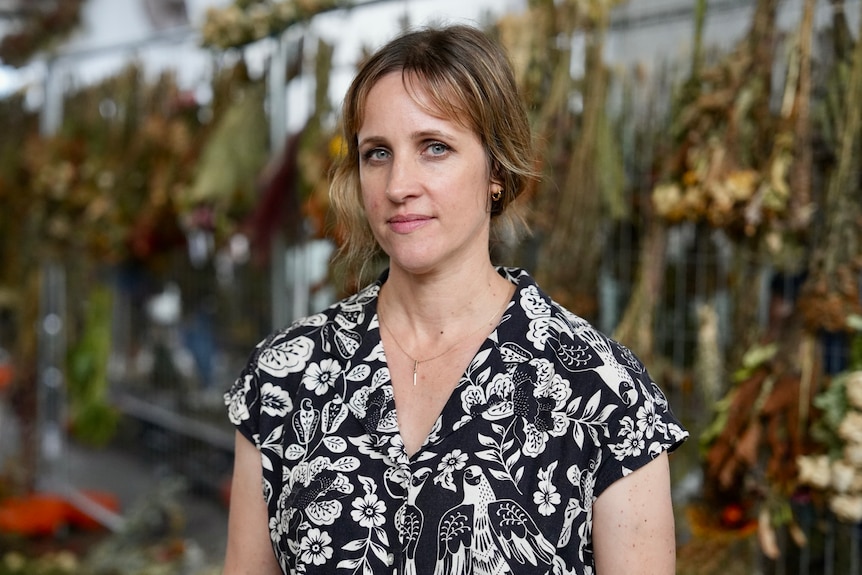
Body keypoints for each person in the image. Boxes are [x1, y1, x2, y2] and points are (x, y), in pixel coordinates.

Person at [223, 23, 688, 575]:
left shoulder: (599, 393)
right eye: (377, 154)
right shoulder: (285, 376)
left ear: (495, 169)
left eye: (434, 148)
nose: (399, 184)